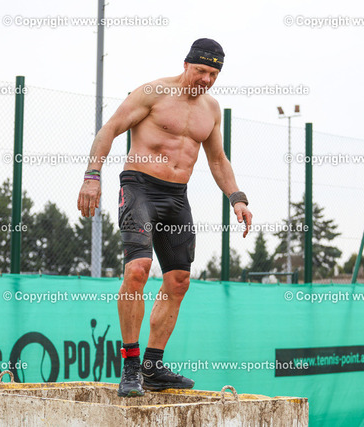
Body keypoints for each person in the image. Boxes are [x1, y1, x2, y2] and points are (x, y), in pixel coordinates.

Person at [77, 38, 253, 398]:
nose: (206, 79)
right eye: (200, 70)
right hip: (139, 188)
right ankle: (130, 366)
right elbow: (110, 128)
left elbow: (217, 159)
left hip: (176, 196)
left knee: (179, 280)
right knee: (138, 270)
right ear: (186, 64)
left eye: (213, 74)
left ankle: (153, 367)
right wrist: (92, 176)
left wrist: (236, 197)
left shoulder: (211, 109)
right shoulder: (153, 93)